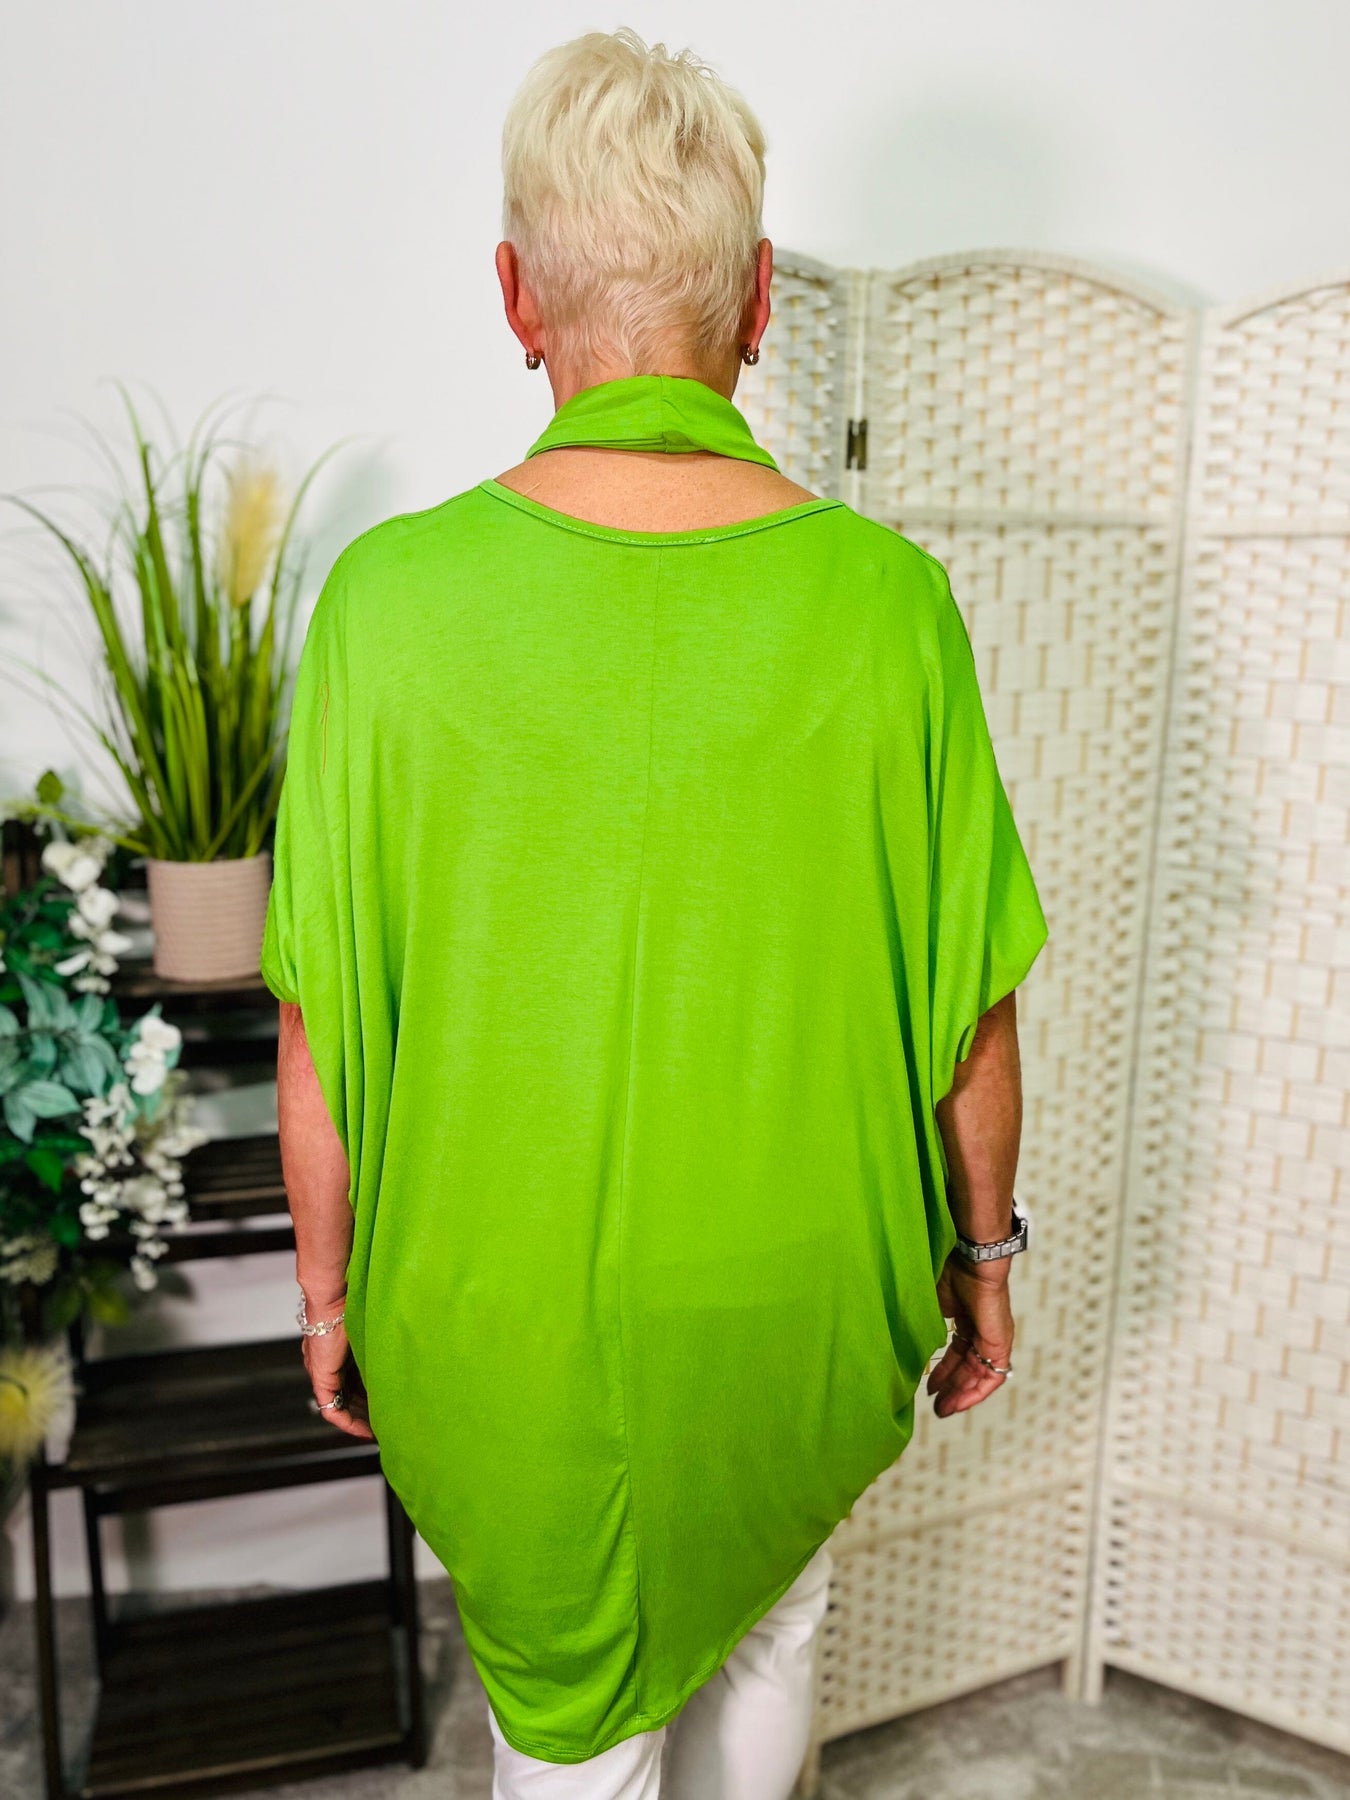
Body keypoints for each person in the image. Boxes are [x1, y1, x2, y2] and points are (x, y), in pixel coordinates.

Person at [263, 26, 1048, 1800]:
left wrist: (326, 1296)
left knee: (567, 1730)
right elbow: (970, 1009)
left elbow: (321, 1011)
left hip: (497, 1314)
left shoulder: (387, 606)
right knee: (771, 1624)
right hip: (793, 1300)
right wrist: (984, 1261)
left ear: (515, 295)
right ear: (757, 298)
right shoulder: (888, 607)